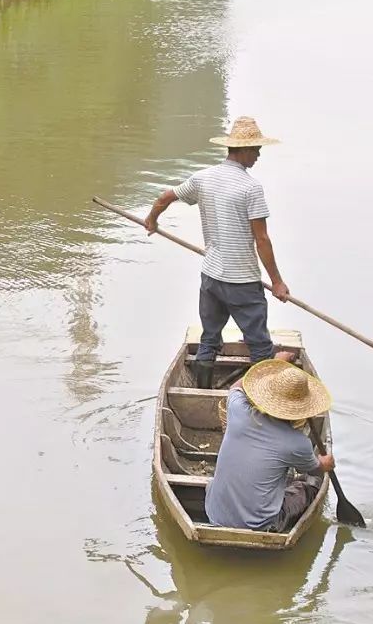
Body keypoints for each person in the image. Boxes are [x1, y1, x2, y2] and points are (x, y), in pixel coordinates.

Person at [143, 117, 288, 387]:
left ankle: (203, 394)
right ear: (242, 150)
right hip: (242, 281)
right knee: (259, 347)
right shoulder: (251, 188)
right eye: (256, 149)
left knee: (209, 338)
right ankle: (260, 401)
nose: (258, 155)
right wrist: (277, 282)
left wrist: (152, 220)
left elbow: (164, 198)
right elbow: (262, 240)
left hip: (211, 278)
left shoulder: (202, 178)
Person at [204, 354, 335, 532]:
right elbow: (314, 469)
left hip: (215, 514)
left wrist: (275, 363)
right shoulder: (298, 443)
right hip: (262, 526)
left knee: (214, 482)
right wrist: (325, 463)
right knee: (308, 486)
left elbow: (236, 388)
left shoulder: (239, 410)